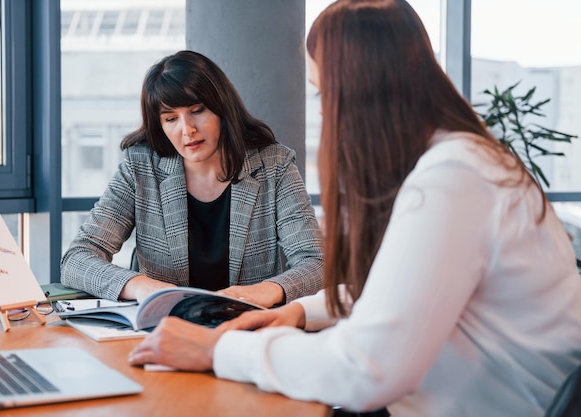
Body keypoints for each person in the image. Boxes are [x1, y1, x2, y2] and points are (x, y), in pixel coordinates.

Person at [127, 1, 581, 416]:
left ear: (361, 93)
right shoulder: (462, 161)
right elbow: (408, 294)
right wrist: (303, 311)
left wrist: (215, 350)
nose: (325, 114)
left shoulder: (453, 179)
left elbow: (367, 369)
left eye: (325, 95)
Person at [61, 50, 323, 308]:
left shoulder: (273, 166)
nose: (187, 130)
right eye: (171, 118)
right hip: (161, 332)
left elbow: (316, 263)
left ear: (222, 109)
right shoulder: (140, 167)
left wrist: (266, 291)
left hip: (246, 333)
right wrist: (141, 286)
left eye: (197, 110)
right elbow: (77, 258)